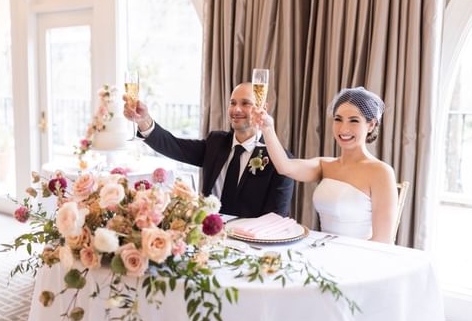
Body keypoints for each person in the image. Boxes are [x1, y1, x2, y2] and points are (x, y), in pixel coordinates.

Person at [123, 82, 294, 218]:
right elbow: (175, 146)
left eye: (245, 103)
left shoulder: (281, 160)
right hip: (207, 237)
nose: (236, 109)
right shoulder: (216, 143)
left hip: (251, 247)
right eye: (232, 103)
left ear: (263, 108)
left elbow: (276, 218)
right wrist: (144, 120)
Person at [252, 87, 398, 243]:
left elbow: (383, 240)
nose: (344, 128)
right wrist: (268, 129)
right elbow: (284, 166)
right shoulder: (324, 165)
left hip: (359, 257)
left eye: (354, 120)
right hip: (322, 249)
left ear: (371, 124)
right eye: (338, 119)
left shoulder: (381, 172)